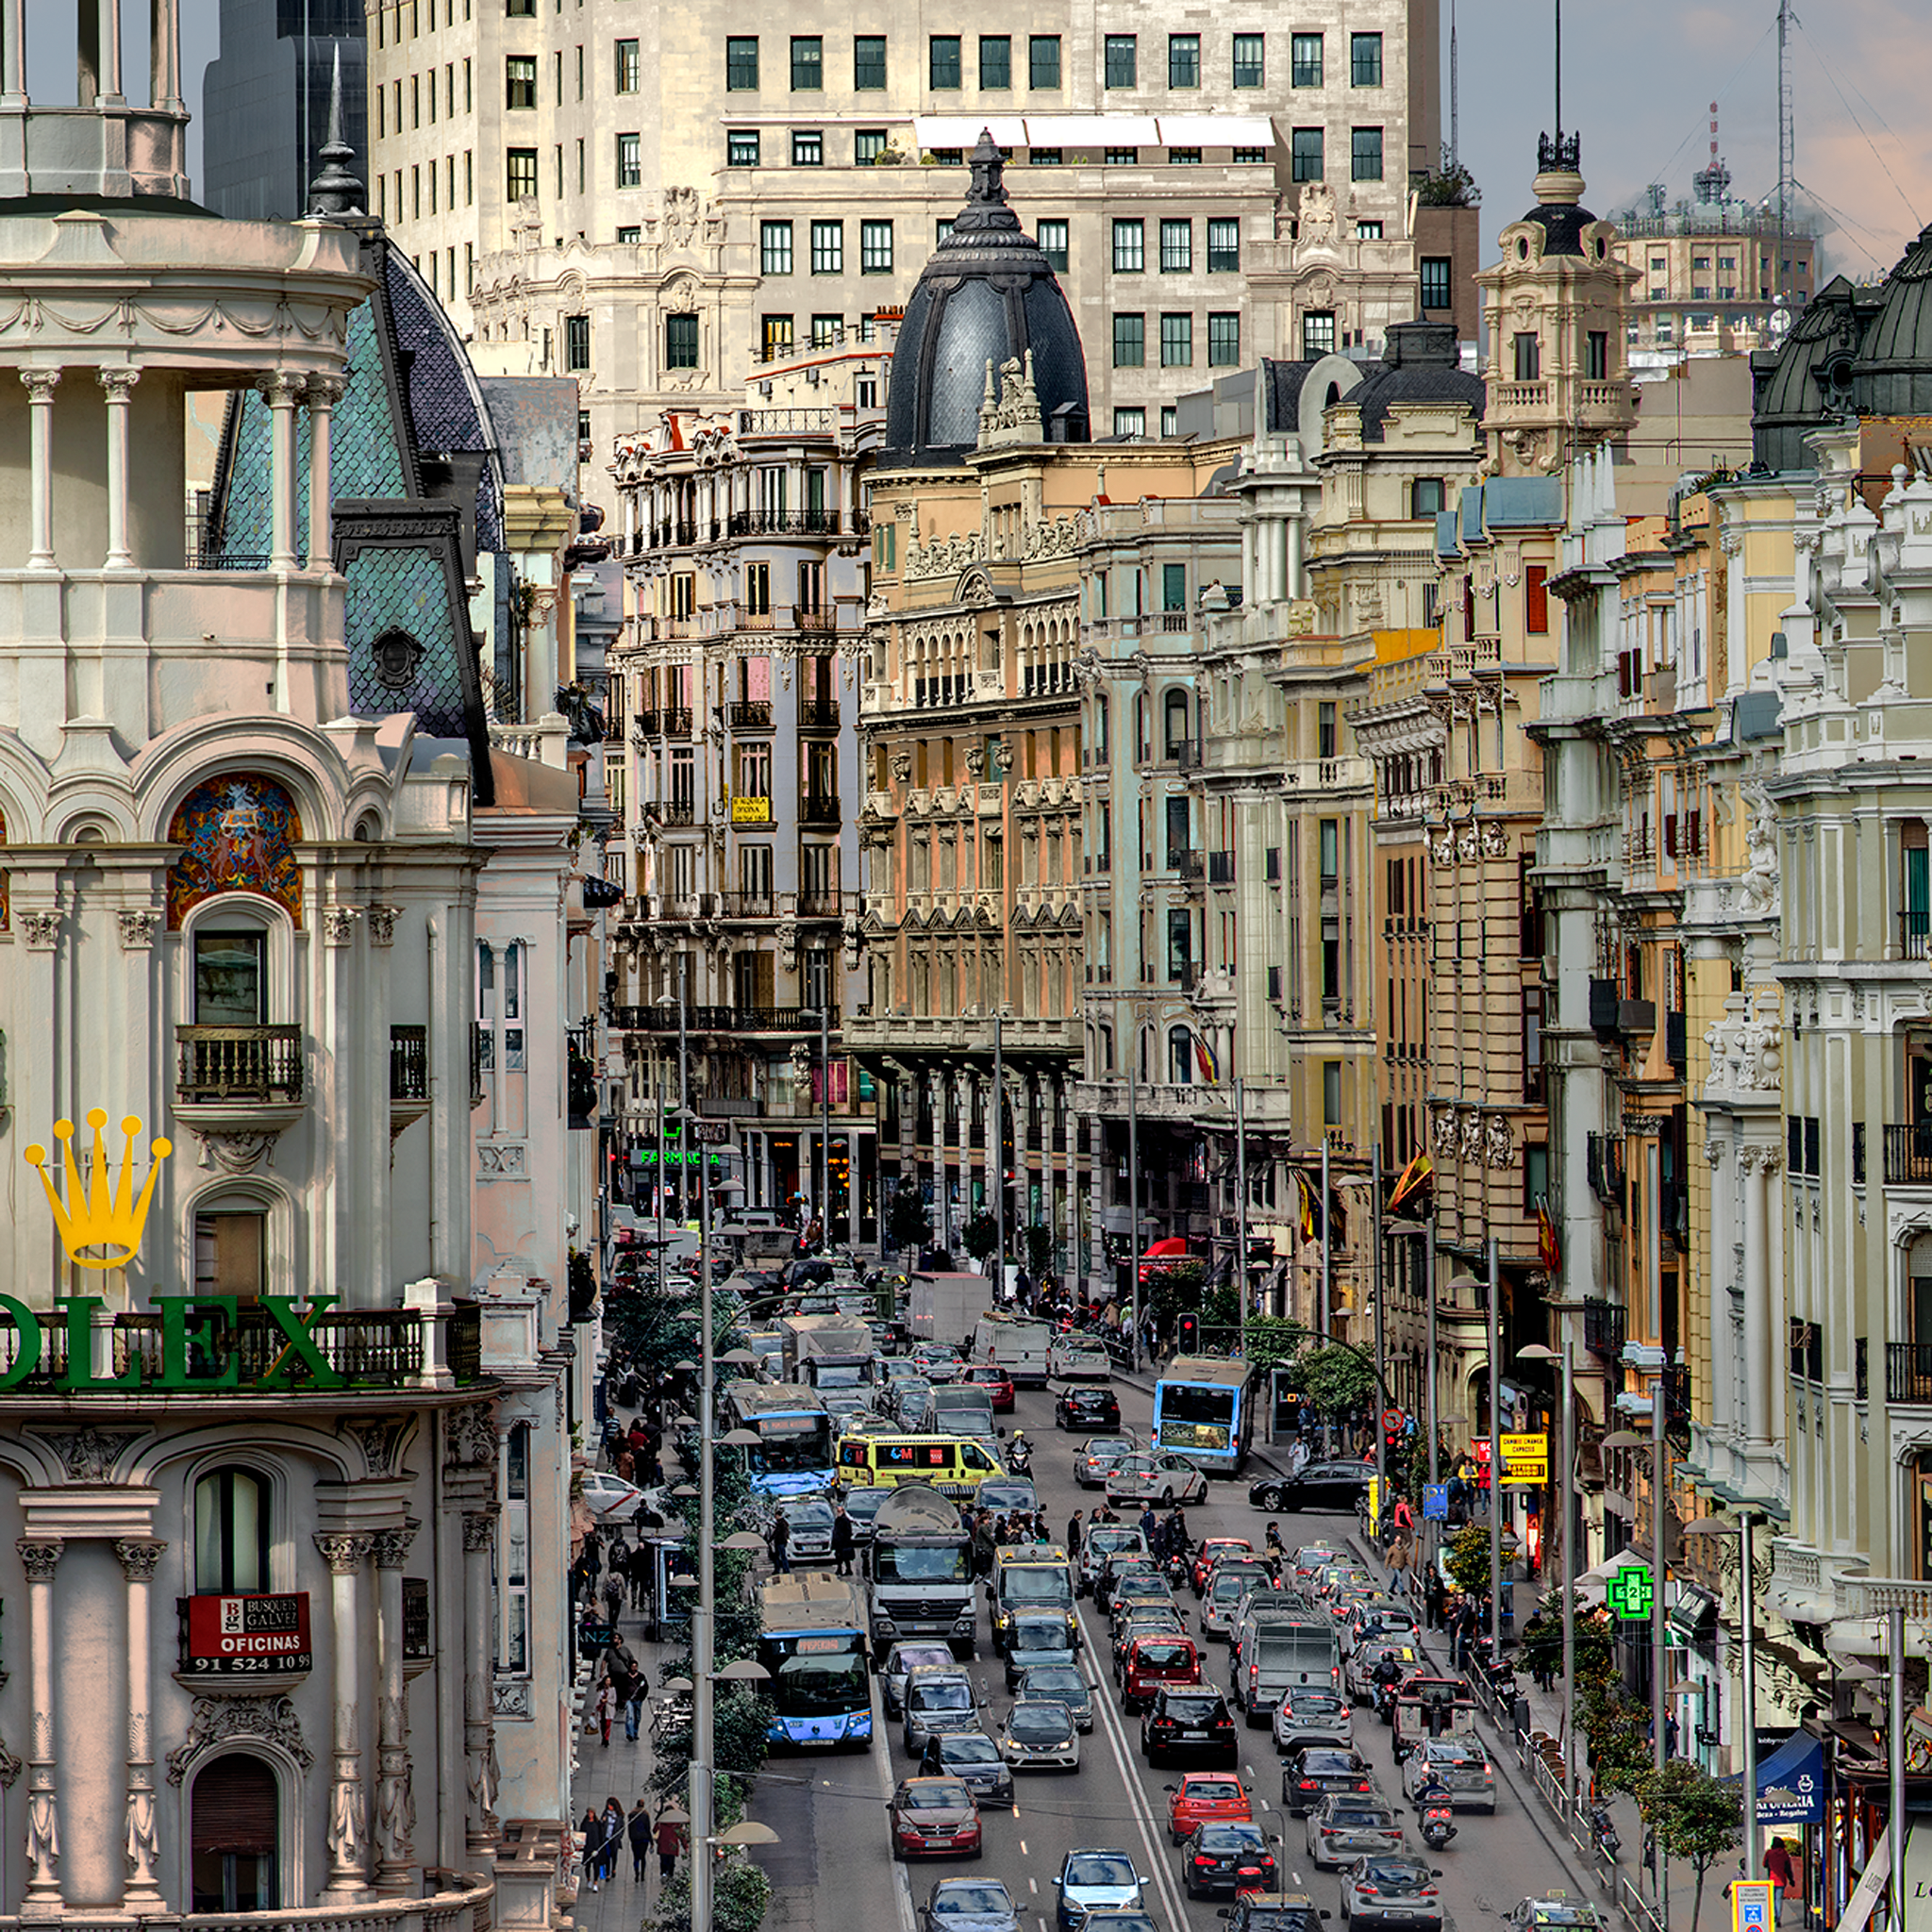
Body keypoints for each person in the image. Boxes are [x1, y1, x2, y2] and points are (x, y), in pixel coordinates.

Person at [655, 1806, 688, 1885]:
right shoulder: (676, 1824)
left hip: (663, 1845)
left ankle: (663, 1874)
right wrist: (685, 1846)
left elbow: (654, 1830)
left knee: (663, 1861)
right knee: (671, 1862)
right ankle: (670, 1875)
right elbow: (681, 1836)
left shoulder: (661, 1823)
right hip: (672, 1846)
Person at [1765, 1840, 1796, 1920]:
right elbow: (1788, 1868)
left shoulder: (1769, 1853)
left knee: (1772, 1899)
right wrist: (1791, 1880)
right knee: (1778, 1899)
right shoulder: (1784, 1854)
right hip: (1781, 1880)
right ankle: (1778, 1917)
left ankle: (1774, 1915)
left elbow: (1764, 1864)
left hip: (1771, 1879)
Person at [579, 1804, 608, 1894]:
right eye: (589, 1812)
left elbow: (600, 1836)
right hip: (587, 1847)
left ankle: (595, 1882)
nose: (590, 1814)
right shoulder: (584, 1824)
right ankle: (588, 1880)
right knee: (587, 1865)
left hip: (595, 1848)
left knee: (596, 1866)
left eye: (592, 1813)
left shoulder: (597, 1824)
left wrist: (599, 1847)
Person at [600, 1798, 625, 1885]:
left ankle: (613, 1868)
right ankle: (607, 1873)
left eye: (610, 1805)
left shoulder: (619, 1816)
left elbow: (622, 1827)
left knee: (614, 1854)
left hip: (614, 1838)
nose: (609, 1807)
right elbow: (601, 1824)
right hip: (606, 1837)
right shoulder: (605, 1814)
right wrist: (602, 1821)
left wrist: (619, 1836)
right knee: (607, 1855)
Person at [627, 1797, 653, 1880]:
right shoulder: (645, 1815)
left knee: (636, 1857)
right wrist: (651, 1841)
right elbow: (648, 1828)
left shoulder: (631, 1814)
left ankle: (636, 1872)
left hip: (635, 1839)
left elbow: (630, 1828)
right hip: (644, 1839)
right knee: (643, 1857)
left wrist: (631, 1837)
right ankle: (642, 1874)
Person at [831, 1504, 856, 1577]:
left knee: (844, 1557)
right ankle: (840, 1570)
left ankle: (847, 1570)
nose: (838, 1512)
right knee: (839, 1557)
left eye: (839, 1511)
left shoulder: (845, 1520)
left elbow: (848, 1532)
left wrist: (845, 1541)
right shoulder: (837, 1520)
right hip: (838, 1542)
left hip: (843, 1542)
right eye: (837, 1511)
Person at [593, 1674, 615, 1748]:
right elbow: (597, 1700)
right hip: (602, 1710)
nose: (608, 1682)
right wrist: (595, 1710)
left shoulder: (612, 1689)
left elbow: (614, 1700)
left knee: (608, 1725)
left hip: (609, 1709)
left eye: (609, 1681)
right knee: (602, 1725)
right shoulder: (601, 1690)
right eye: (607, 1681)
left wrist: (607, 1700)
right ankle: (603, 1737)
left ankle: (606, 1739)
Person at [768, 1509, 791, 1575]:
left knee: (779, 1556)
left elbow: (776, 1533)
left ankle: (781, 1569)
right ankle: (784, 1569)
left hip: (779, 1541)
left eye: (775, 1516)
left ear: (778, 1516)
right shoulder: (784, 1523)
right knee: (780, 1556)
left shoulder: (780, 1524)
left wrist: (770, 1540)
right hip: (782, 1541)